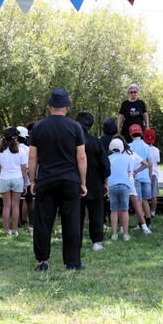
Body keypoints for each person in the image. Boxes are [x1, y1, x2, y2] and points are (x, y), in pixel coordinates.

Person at [29, 89, 87, 272]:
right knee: (71, 221)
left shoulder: (38, 126)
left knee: (43, 221)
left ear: (50, 106)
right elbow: (82, 157)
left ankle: (42, 261)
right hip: (70, 179)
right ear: (67, 108)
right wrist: (83, 182)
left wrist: (32, 180)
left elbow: (32, 157)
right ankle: (72, 262)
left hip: (46, 179)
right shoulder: (76, 127)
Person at [77, 111, 110, 251]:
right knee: (96, 213)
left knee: (75, 214)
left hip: (75, 183)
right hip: (95, 182)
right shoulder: (96, 141)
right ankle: (97, 242)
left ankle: (75, 241)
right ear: (91, 125)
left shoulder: (71, 141)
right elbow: (105, 164)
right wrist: (106, 182)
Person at [0, 126, 27, 236]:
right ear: (16, 137)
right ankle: (15, 230)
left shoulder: (0, 152)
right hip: (17, 178)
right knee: (15, 205)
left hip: (4, 178)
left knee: (6, 206)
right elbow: (24, 169)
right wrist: (26, 183)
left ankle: (6, 230)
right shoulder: (21, 150)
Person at [128, 124, 153, 228]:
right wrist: (150, 176)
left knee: (138, 201)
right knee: (145, 200)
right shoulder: (146, 146)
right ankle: (148, 221)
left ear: (130, 134)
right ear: (142, 133)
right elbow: (150, 163)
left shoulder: (129, 146)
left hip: (135, 176)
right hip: (146, 176)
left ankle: (141, 223)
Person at [107, 138, 132, 241]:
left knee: (114, 210)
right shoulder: (127, 158)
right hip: (124, 185)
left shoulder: (108, 158)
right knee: (124, 210)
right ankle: (125, 234)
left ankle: (114, 234)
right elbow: (129, 172)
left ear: (111, 148)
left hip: (111, 186)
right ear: (122, 148)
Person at [17, 125, 34, 231]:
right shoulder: (29, 149)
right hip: (27, 176)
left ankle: (18, 223)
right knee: (30, 200)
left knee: (17, 201)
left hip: (16, 176)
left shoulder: (13, 148)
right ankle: (32, 224)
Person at [144, 128, 160, 217]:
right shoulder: (156, 150)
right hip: (154, 173)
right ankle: (152, 212)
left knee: (143, 196)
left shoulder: (143, 148)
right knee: (154, 195)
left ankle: (143, 212)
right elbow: (157, 161)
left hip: (144, 173)